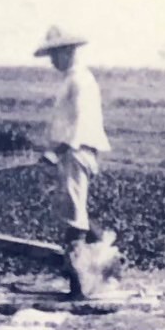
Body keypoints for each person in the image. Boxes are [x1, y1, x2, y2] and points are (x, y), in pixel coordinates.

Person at [35, 26, 112, 263]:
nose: (52, 61)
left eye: (54, 55)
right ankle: (101, 248)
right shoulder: (73, 79)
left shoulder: (80, 80)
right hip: (71, 151)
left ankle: (79, 271)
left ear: (67, 52)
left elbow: (80, 122)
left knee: (74, 213)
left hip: (76, 151)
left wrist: (57, 151)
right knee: (73, 208)